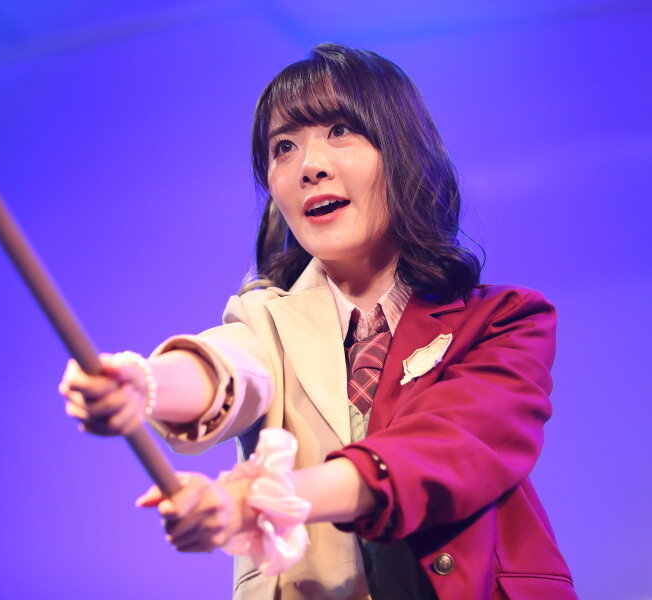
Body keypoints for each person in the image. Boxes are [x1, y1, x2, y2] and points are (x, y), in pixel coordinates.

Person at [59, 43, 577, 600]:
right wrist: (144, 384)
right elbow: (230, 368)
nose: (310, 166)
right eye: (284, 147)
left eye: (340, 131)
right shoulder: (266, 322)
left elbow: (447, 447)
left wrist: (259, 500)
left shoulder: (504, 322)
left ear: (403, 151)